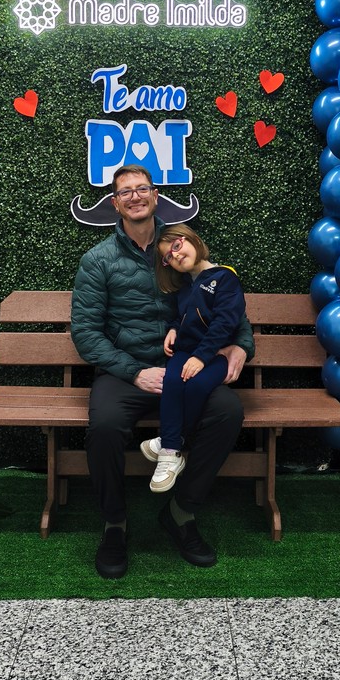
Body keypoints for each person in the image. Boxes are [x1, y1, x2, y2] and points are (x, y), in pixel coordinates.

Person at [71, 164, 254, 579]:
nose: (135, 197)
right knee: (104, 426)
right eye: (126, 192)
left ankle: (181, 512)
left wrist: (241, 345)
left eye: (142, 189)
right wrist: (135, 372)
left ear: (155, 196)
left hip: (187, 368)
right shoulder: (98, 260)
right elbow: (85, 332)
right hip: (126, 373)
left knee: (227, 412)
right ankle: (114, 524)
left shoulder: (178, 246)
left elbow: (226, 298)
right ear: (115, 203)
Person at [140, 223, 246, 495]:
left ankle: (168, 442)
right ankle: (171, 454)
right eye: (168, 257)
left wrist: (202, 357)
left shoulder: (224, 277)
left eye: (177, 246)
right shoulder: (186, 286)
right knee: (173, 381)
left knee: (197, 386)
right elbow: (184, 316)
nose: (175, 255)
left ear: (192, 240)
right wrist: (174, 329)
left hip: (216, 355)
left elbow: (225, 323)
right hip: (185, 352)